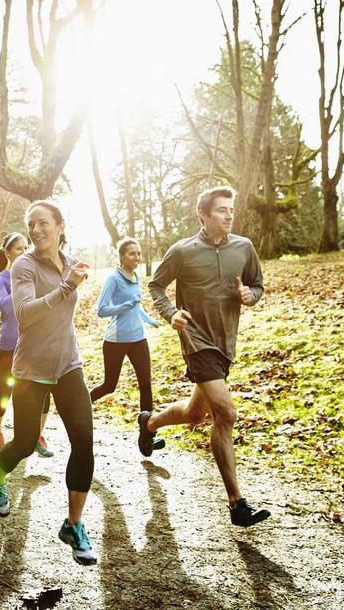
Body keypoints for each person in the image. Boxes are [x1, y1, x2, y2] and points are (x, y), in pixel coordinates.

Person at [144, 186, 271, 528]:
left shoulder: (244, 248)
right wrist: (172, 314)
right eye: (221, 210)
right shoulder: (183, 251)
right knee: (225, 413)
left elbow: (258, 285)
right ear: (203, 214)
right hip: (196, 340)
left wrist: (250, 295)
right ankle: (236, 503)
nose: (229, 215)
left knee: (194, 414)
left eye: (231, 210)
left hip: (225, 343)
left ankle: (149, 424)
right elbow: (156, 286)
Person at [0, 201, 98, 565]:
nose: (35, 230)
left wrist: (72, 282)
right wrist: (66, 287)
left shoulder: (71, 260)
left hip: (68, 364)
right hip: (31, 369)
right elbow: (25, 314)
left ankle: (74, 524)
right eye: (30, 224)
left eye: (43, 223)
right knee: (27, 442)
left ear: (60, 226)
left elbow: (66, 308)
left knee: (83, 440)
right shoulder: (23, 265)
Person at [90, 237, 165, 455]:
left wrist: (149, 319)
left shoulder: (136, 276)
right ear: (122, 256)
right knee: (109, 385)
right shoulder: (113, 278)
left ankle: (148, 435)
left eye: (139, 253)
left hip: (138, 339)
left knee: (146, 384)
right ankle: (80, 408)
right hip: (116, 341)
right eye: (132, 253)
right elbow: (102, 310)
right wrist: (125, 305)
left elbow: (136, 306)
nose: (136, 257)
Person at [0, 232, 53, 458]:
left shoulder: (35, 275)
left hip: (34, 345)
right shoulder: (1, 279)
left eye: (26, 248)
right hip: (8, 347)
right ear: (7, 253)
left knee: (43, 394)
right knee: (6, 393)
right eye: (17, 248)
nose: (23, 252)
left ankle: (37, 436)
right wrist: (19, 280)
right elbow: (6, 307)